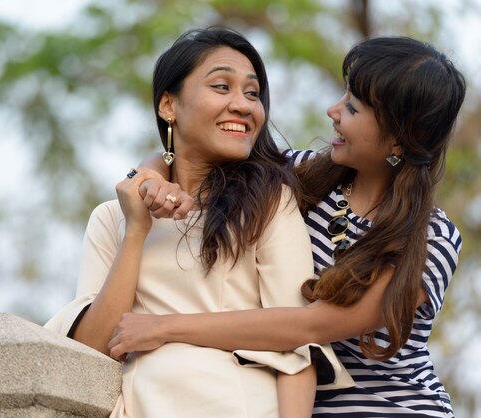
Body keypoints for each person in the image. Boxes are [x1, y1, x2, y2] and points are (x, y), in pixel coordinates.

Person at [109, 36, 466, 417]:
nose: (333, 111)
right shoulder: (298, 174)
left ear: (398, 139)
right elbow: (192, 150)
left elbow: (310, 327)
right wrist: (152, 176)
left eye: (353, 107)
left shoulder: (432, 242)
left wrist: (164, 327)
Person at [44, 27, 352, 418]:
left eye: (253, 93)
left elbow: (298, 343)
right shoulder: (112, 219)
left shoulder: (268, 202)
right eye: (222, 87)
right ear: (168, 106)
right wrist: (136, 230)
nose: (243, 105)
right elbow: (89, 351)